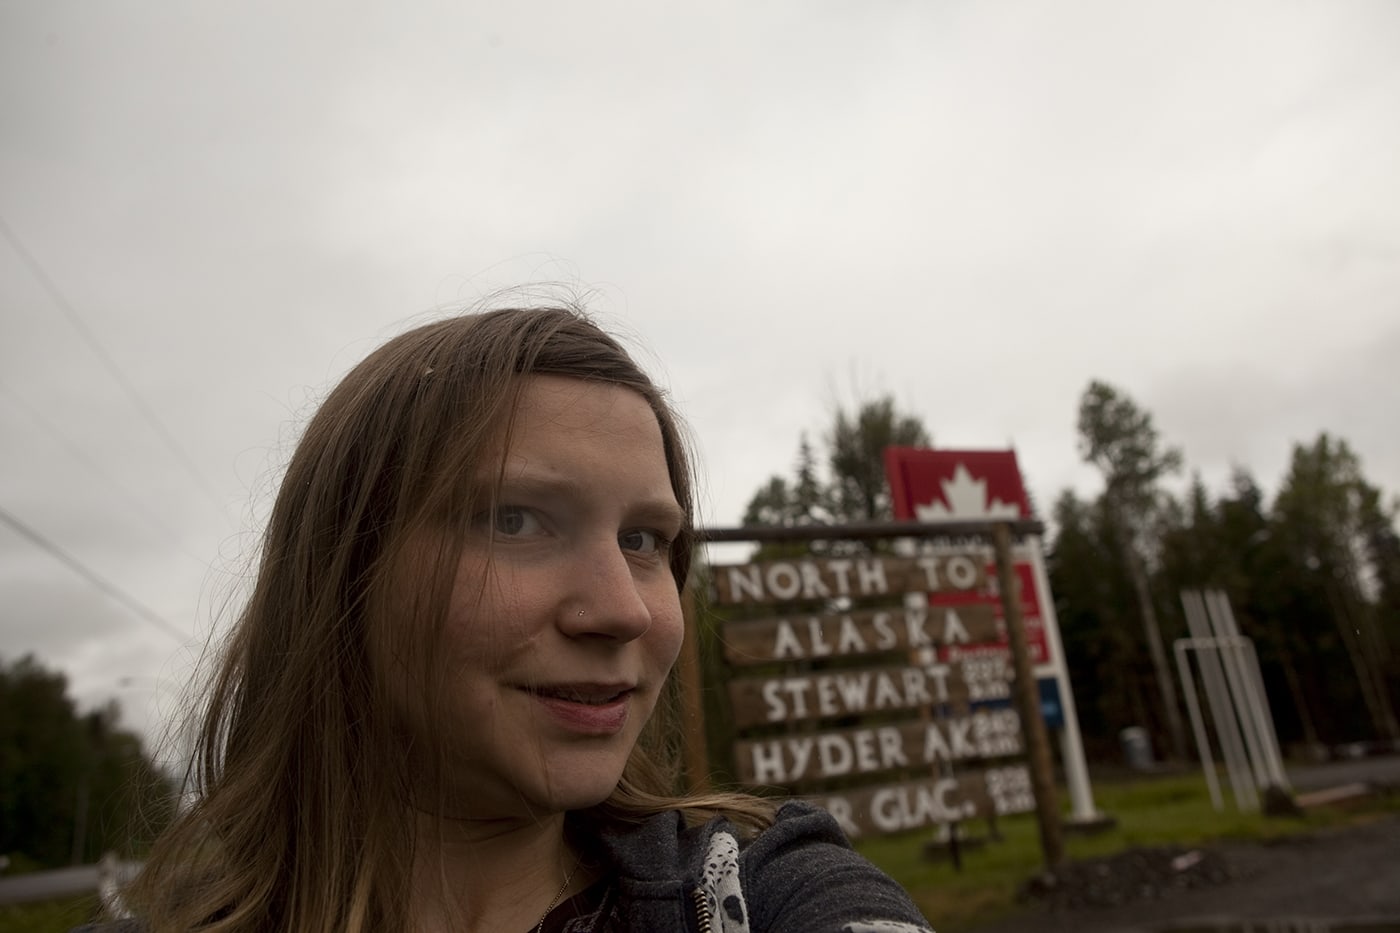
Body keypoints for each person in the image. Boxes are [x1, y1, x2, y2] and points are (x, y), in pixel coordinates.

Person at [78, 305, 934, 933]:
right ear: (344, 574)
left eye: (644, 538)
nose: (622, 609)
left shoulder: (752, 894)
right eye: (516, 519)